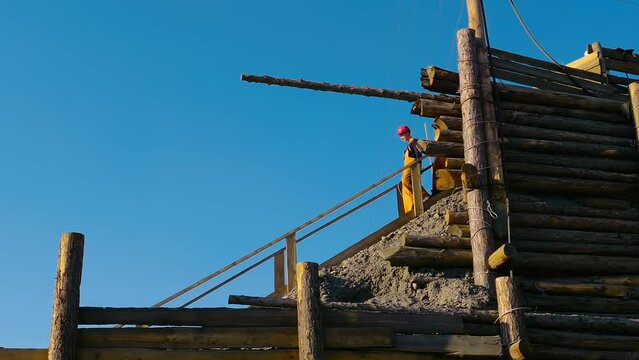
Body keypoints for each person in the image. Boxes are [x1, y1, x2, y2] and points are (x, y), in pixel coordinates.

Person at [397, 125, 430, 215]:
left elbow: (418, 155)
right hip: (407, 166)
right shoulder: (407, 147)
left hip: (413, 165)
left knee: (406, 181)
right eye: (400, 136)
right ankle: (411, 206)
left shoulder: (414, 142)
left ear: (407, 133)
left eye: (402, 135)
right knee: (403, 185)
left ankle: (424, 196)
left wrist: (419, 166)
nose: (401, 137)